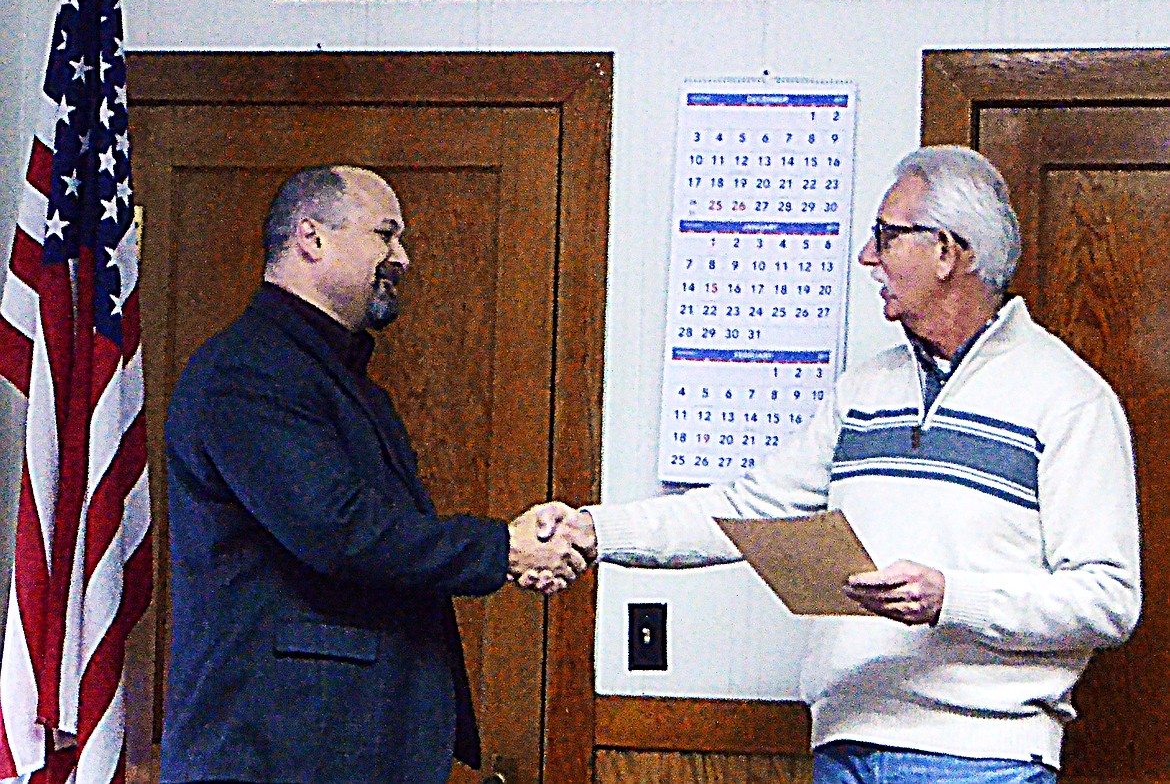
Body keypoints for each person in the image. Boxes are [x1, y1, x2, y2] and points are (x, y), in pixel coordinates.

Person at [538, 146, 1141, 782]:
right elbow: (747, 508)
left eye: (887, 235)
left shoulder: (1070, 397)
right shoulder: (865, 391)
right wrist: (594, 531)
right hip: (843, 748)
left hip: (984, 759)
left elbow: (1108, 599)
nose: (867, 257)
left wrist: (949, 598)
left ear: (947, 251)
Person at [160, 165, 593, 784]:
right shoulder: (247, 373)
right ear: (312, 238)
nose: (403, 257)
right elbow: (343, 532)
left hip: (329, 750)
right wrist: (507, 548)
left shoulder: (335, 379)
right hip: (276, 755)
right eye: (386, 235)